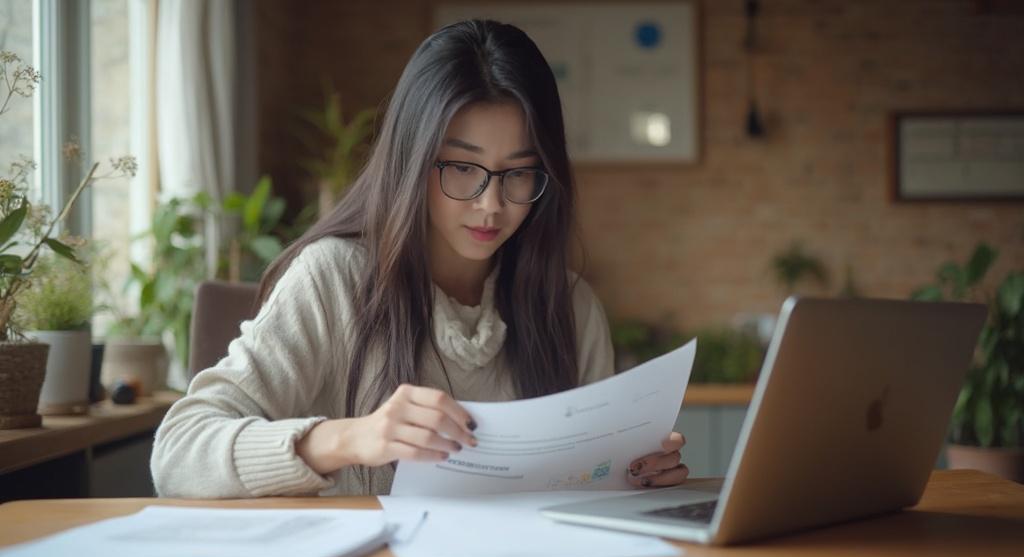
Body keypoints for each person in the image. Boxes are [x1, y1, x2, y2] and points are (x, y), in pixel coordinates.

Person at [151, 19, 688, 498]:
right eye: (462, 167)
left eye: (519, 172)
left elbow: (585, 489)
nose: (490, 204)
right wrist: (350, 438)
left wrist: (630, 474)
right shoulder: (334, 277)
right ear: (412, 161)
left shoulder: (569, 305)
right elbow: (178, 451)